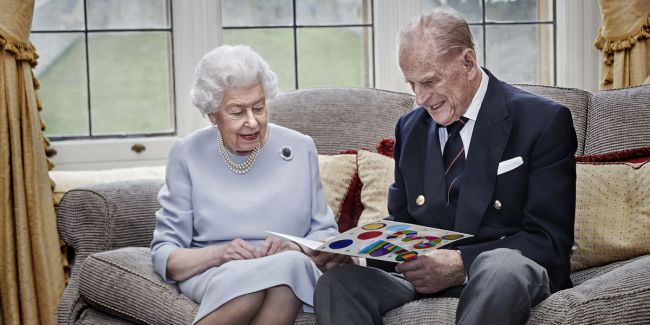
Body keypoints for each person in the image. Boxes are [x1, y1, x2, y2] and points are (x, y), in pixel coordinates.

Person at [314, 9, 577, 325]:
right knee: (339, 283)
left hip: (506, 276)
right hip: (425, 282)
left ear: (467, 62)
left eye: (428, 81)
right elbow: (404, 226)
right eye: (412, 84)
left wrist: (462, 263)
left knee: (500, 268)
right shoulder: (410, 128)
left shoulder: (542, 121)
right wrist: (355, 254)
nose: (421, 98)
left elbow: (549, 241)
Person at [151, 45, 339, 325]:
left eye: (259, 108)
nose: (252, 122)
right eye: (237, 112)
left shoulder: (300, 147)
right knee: (249, 290)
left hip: (290, 268)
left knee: (285, 274)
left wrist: (296, 248)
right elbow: (166, 255)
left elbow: (325, 233)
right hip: (217, 271)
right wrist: (220, 253)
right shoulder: (187, 153)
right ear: (212, 115)